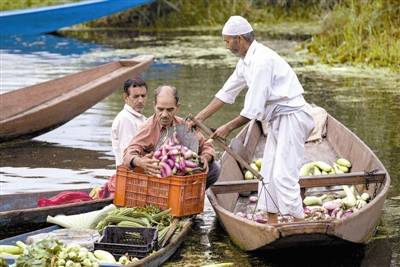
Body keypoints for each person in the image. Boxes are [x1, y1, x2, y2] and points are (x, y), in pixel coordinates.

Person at [190, 16, 315, 223]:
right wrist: (199, 117)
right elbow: (226, 92)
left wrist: (227, 127)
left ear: (239, 38)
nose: (226, 45)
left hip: (293, 117)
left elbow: (252, 110)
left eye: (227, 41)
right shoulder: (245, 62)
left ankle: (299, 223)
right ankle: (273, 221)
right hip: (277, 119)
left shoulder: (262, 61)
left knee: (284, 174)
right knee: (267, 174)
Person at [123, 85, 219, 189]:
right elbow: (128, 154)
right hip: (156, 178)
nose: (164, 115)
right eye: (160, 109)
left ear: (177, 107)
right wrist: (140, 162)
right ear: (154, 106)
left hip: (180, 175)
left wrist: (206, 157)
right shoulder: (147, 128)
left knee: (214, 169)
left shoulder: (183, 125)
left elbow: (206, 145)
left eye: (170, 110)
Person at [111, 77, 148, 167]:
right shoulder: (125, 119)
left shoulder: (142, 118)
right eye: (136, 96)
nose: (140, 100)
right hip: (129, 173)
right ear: (126, 97)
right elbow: (128, 154)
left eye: (143, 96)